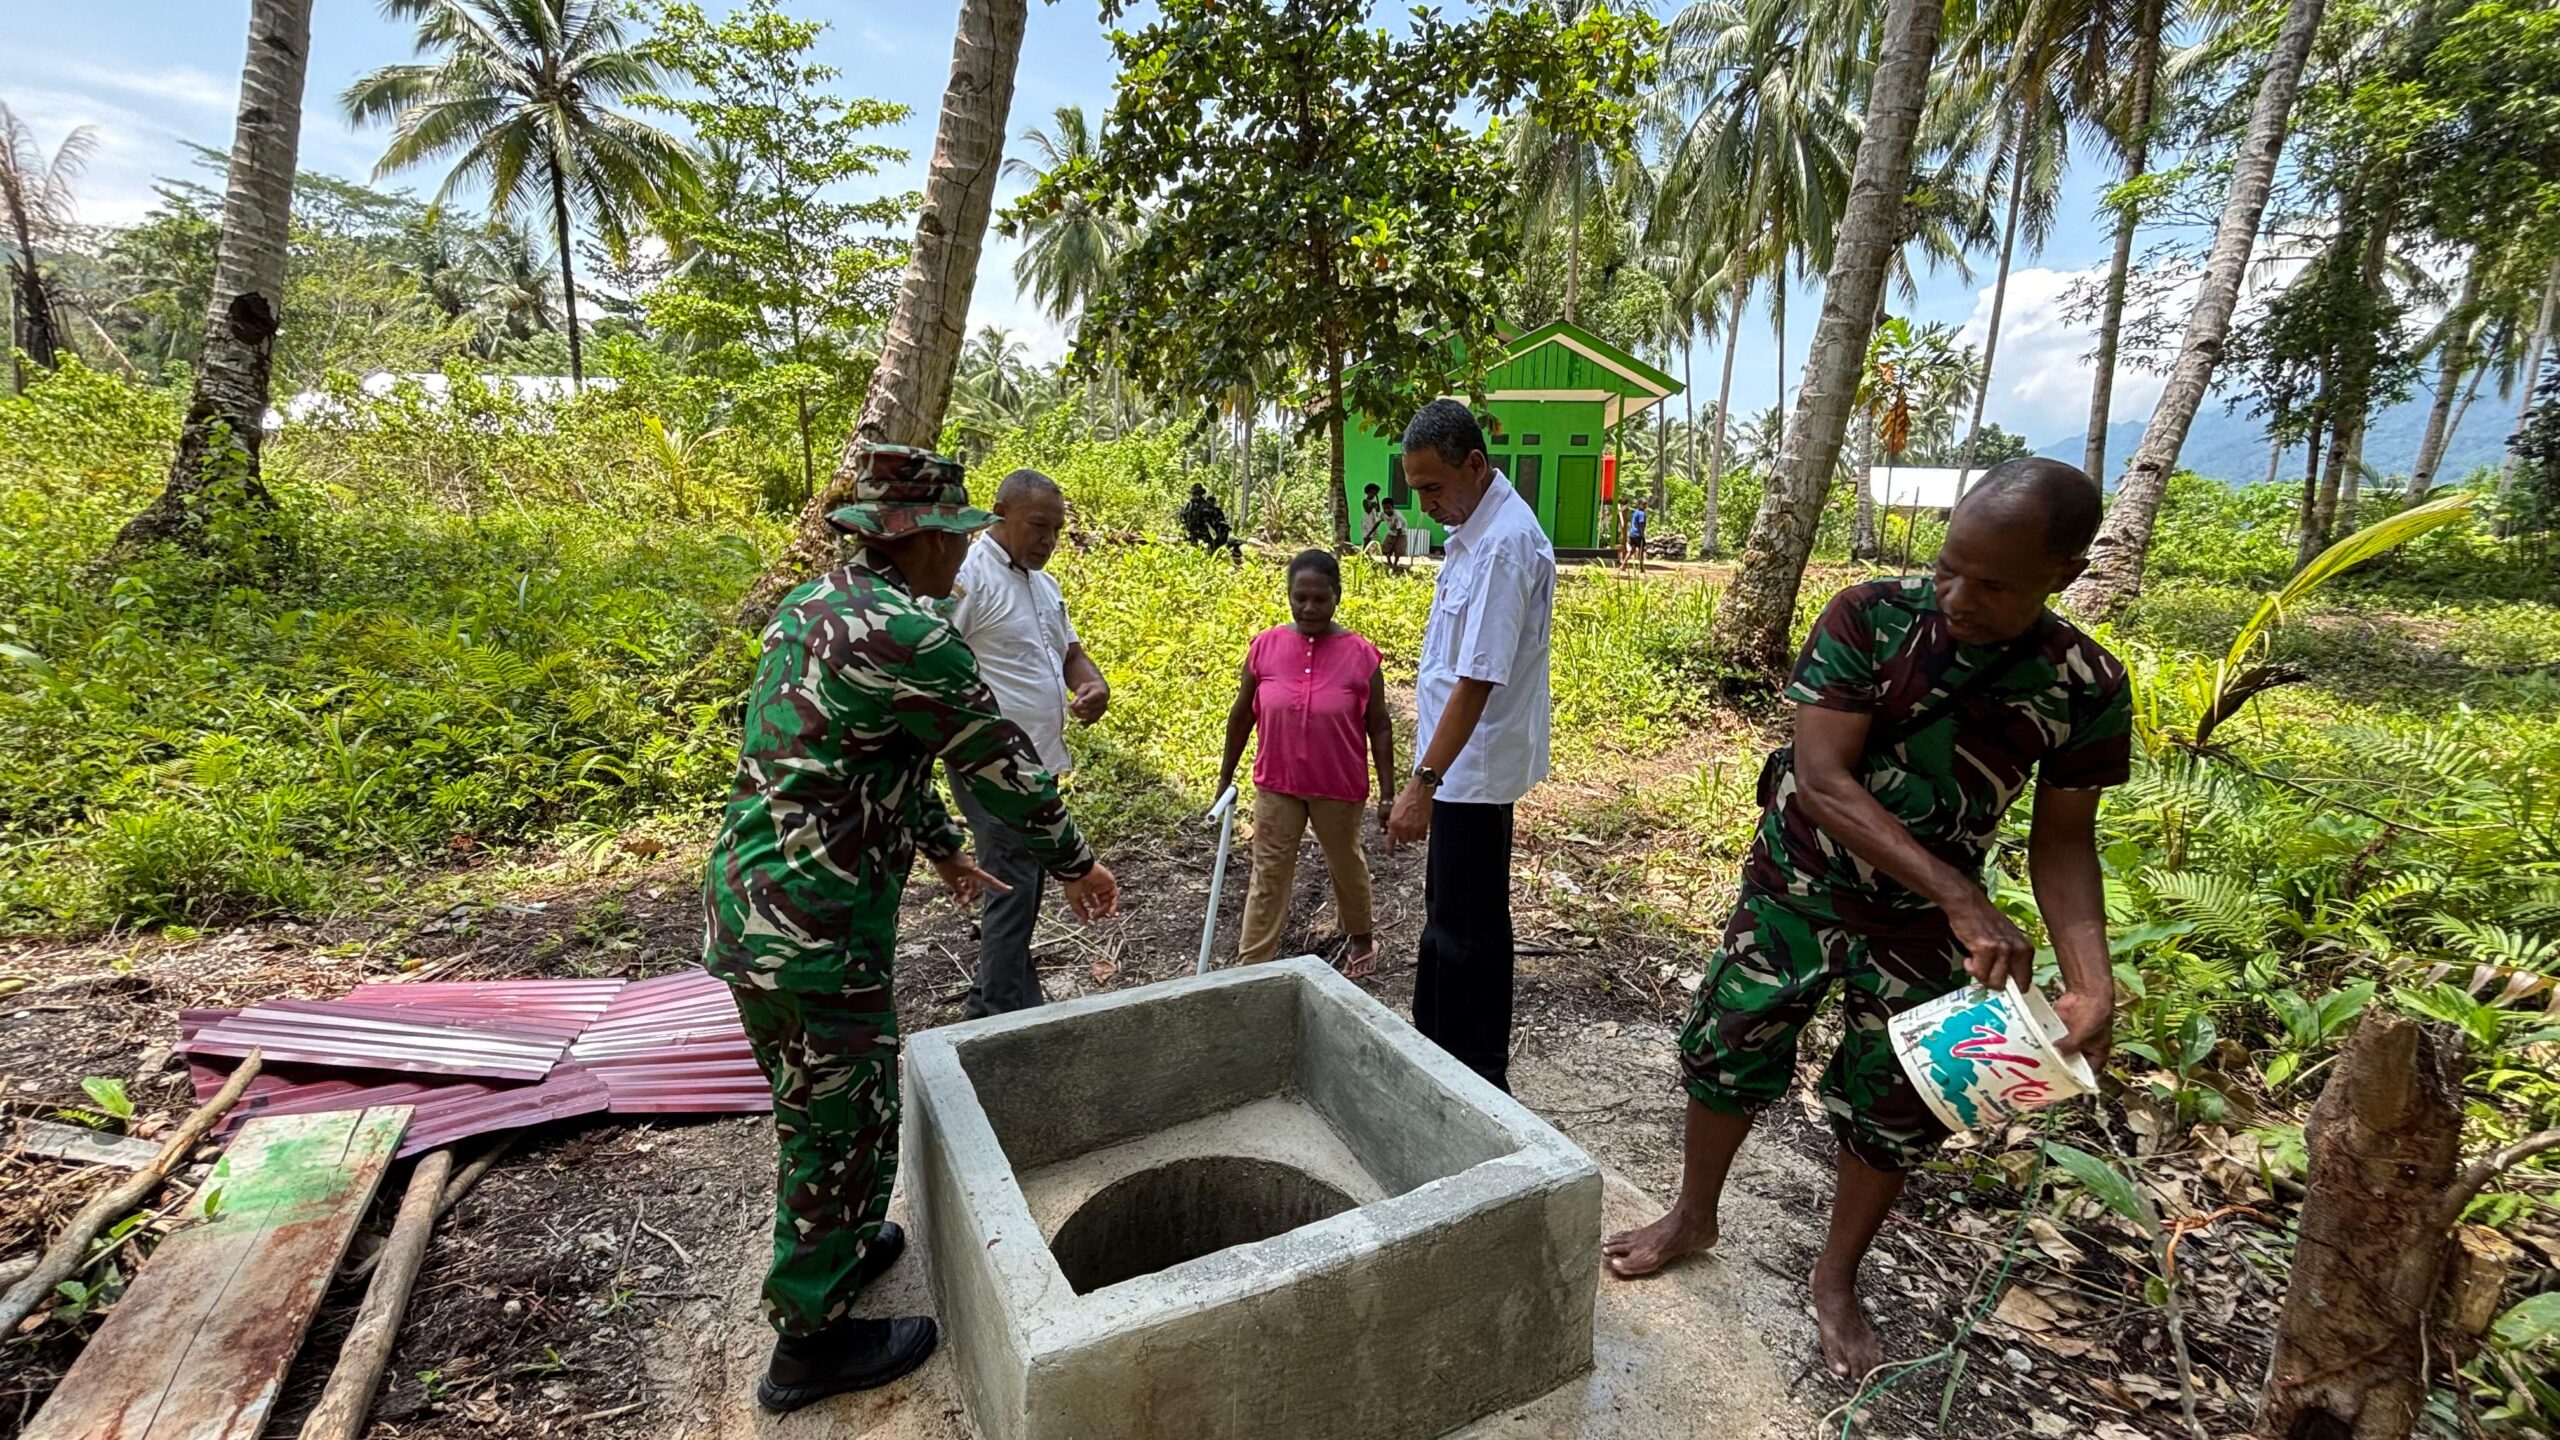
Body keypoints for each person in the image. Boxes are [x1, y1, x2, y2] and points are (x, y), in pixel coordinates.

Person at [1601, 458, 2129, 1384]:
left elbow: (2064, 843)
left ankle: (1836, 1280)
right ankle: (1694, 1214)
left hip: (1923, 935)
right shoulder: (1869, 615)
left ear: (2067, 571)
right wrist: (1964, 896)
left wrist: (2093, 981)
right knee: (1732, 1048)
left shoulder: (2084, 683)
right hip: (1799, 885)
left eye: (1993, 584)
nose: (1957, 596)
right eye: (1950, 566)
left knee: (1899, 1102)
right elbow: (1824, 780)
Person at [701, 444, 1121, 1414]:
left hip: (751, 908)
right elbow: (1000, 768)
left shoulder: (809, 608)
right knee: (834, 1123)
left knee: (837, 1105)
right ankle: (808, 1342)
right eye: (955, 536)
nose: (961, 553)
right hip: (815, 927)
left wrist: (935, 845)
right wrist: (1076, 864)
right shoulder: (914, 634)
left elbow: (866, 752)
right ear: (922, 540)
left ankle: (843, 1246)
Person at [1384, 400, 1555, 1092]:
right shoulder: (1475, 536)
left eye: (1433, 488)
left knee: (1468, 930)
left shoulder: (1505, 545)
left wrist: (1421, 783)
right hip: (1458, 767)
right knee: (1451, 918)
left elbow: (1477, 679)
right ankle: (1439, 1049)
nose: (1424, 505)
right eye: (1416, 489)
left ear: (1475, 466)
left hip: (1470, 772)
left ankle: (1478, 1076)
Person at [945, 469, 1111, 1017]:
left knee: (1025, 882)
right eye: (1038, 526)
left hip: (1035, 767)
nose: (1048, 540)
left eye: (1057, 530)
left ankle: (1007, 995)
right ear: (999, 514)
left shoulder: (1044, 584)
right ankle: (994, 1018)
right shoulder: (968, 578)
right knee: (1013, 885)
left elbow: (1068, 652)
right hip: (988, 767)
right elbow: (934, 660)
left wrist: (1090, 682)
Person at [1219, 549, 1399, 978]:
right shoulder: (1265, 647)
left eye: (1320, 598)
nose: (1309, 608)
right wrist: (1225, 778)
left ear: (1337, 596)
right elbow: (1242, 714)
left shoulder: (1360, 655)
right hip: (1277, 782)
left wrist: (1389, 793)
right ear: (1288, 596)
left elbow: (1380, 726)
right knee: (1269, 872)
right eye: (1299, 598)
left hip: (1337, 785)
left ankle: (1360, 937)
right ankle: (1253, 963)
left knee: (1345, 862)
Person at [1180, 482, 1242, 560]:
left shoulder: (1204, 504)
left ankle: (1213, 554)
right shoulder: (1188, 504)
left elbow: (1213, 516)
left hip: (1203, 530)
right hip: (1193, 531)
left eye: (1199, 493)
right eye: (1196, 492)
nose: (1198, 495)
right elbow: (1183, 518)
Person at [1361, 482, 1410, 571]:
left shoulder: (1397, 516)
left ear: (1392, 507)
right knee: (1385, 549)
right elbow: (1376, 520)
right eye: (1385, 508)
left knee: (1398, 550)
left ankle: (1395, 564)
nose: (1386, 510)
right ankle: (1388, 563)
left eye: (1389, 508)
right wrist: (1369, 533)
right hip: (1375, 525)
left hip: (1400, 533)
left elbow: (1399, 530)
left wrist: (1395, 542)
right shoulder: (1368, 503)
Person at [1625, 499, 1650, 575]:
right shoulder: (1641, 514)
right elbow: (1641, 525)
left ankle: (1623, 565)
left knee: (1632, 551)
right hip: (1638, 535)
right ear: (1640, 504)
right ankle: (1642, 568)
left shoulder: (1635, 512)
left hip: (1632, 534)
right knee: (1641, 552)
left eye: (1646, 504)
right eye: (1644, 504)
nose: (1645, 506)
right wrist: (1643, 535)